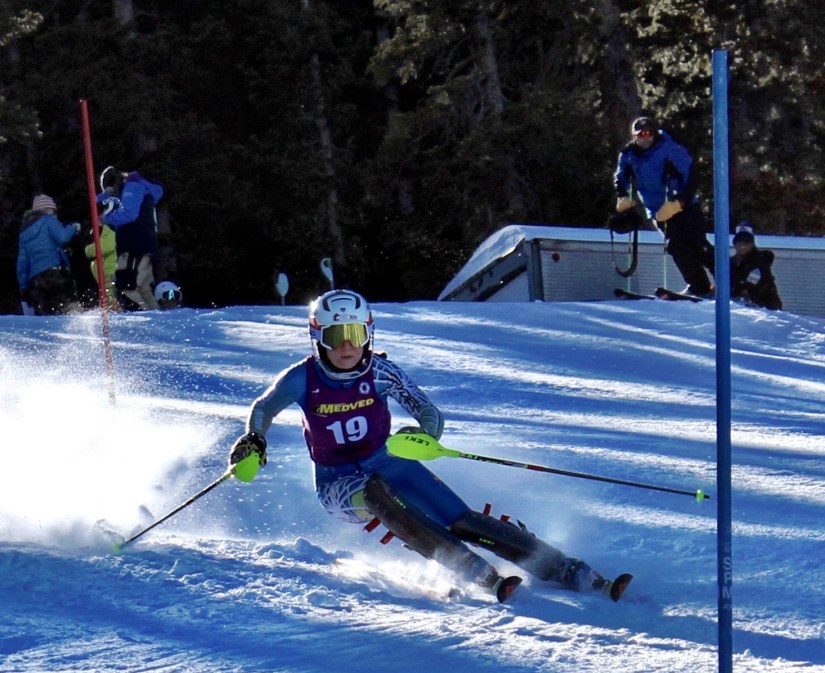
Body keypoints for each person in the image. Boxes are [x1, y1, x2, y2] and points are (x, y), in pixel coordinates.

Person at [228, 289, 627, 603]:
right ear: (317, 337)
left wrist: (426, 436)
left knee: (460, 518)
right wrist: (254, 438)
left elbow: (427, 412)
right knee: (375, 495)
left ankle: (565, 568)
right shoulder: (302, 378)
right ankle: (471, 570)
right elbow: (263, 408)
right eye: (335, 336)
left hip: (388, 460)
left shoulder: (382, 371)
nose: (346, 346)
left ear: (368, 333)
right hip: (337, 482)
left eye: (355, 334)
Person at [614, 116, 715, 297]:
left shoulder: (669, 149)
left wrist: (680, 202)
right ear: (634, 136)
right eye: (641, 134)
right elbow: (620, 178)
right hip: (659, 212)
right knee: (676, 247)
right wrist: (623, 196)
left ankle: (729, 283)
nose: (646, 138)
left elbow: (693, 174)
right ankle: (699, 286)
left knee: (698, 245)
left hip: (683, 206)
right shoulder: (628, 155)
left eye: (649, 134)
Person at [97, 165, 164, 310]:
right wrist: (105, 196)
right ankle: (157, 317)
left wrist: (105, 218)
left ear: (115, 183)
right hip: (141, 245)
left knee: (126, 284)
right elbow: (104, 204)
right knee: (143, 288)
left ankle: (147, 318)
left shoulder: (132, 188)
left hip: (135, 245)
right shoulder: (135, 189)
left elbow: (129, 214)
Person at [16, 194, 81, 315]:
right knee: (69, 309)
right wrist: (73, 228)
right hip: (54, 273)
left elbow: (22, 265)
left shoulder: (23, 234)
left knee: (46, 315)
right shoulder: (48, 220)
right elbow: (63, 237)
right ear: (47, 209)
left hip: (35, 280)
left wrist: (24, 288)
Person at [730, 223, 783, 310]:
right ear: (734, 244)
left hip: (766, 308)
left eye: (746, 242)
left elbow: (748, 289)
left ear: (752, 244)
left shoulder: (759, 262)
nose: (742, 246)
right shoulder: (732, 262)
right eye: (739, 242)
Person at [84, 212, 119, 309]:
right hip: (103, 274)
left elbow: (104, 247)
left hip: (109, 272)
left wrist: (87, 250)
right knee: (108, 299)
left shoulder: (109, 231)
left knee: (111, 298)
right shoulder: (97, 233)